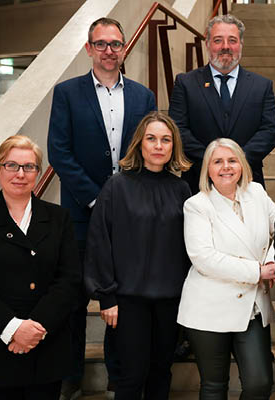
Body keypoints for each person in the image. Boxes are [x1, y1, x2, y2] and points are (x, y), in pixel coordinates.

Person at [47, 17, 156, 399]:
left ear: (125, 48)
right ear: (88, 49)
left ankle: (117, 374)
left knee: (120, 299)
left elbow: (148, 151)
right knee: (75, 298)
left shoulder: (143, 96)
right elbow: (59, 151)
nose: (109, 50)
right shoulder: (67, 93)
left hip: (128, 216)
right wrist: (95, 197)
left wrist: (124, 200)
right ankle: (71, 375)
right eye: (101, 43)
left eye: (116, 43)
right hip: (81, 212)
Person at [0, 135, 81, 400]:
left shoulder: (59, 218)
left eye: (29, 166)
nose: (20, 174)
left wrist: (36, 327)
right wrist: (13, 329)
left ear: (38, 172)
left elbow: (69, 279)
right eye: (12, 165)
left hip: (46, 342)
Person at [84, 111, 192, 400]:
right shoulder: (116, 186)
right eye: (152, 138)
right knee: (131, 376)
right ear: (140, 144)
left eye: (165, 140)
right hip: (128, 300)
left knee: (161, 372)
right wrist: (106, 296)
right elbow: (99, 242)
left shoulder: (182, 189)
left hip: (171, 300)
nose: (158, 145)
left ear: (173, 147)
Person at [177, 138, 275, 400]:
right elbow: (204, 257)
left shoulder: (256, 193)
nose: (226, 167)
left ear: (242, 164)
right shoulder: (197, 204)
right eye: (218, 161)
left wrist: (273, 262)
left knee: (260, 384)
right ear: (207, 169)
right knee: (213, 385)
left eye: (232, 160)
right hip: (209, 306)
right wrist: (258, 272)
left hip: (251, 306)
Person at [169, 14, 275, 193]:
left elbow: (270, 130)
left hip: (248, 182)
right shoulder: (186, 83)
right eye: (218, 40)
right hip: (199, 183)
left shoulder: (262, 85)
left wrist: (238, 160)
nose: (225, 47)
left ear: (241, 44)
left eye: (232, 40)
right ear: (207, 44)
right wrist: (212, 160)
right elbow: (177, 129)